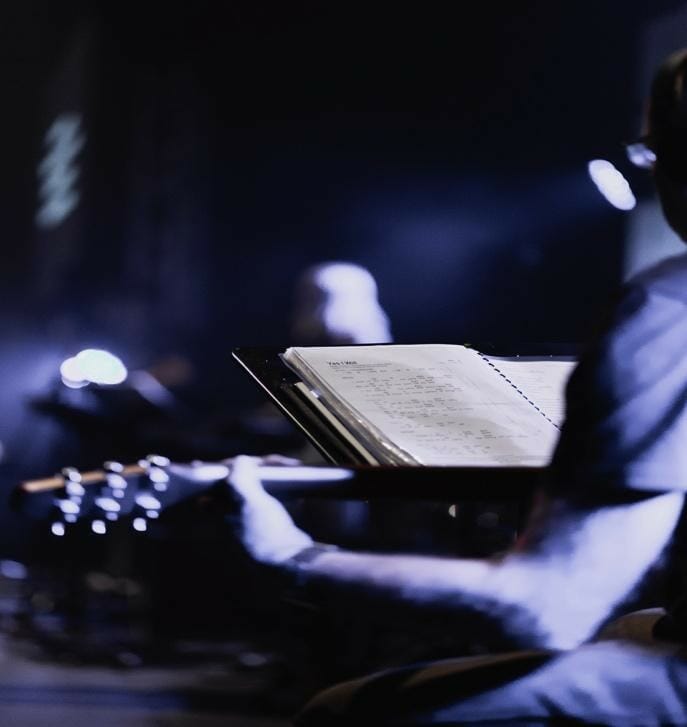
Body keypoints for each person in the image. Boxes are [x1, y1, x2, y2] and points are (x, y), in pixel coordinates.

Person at [212, 49, 687, 724]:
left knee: (346, 710)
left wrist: (291, 555)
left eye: (649, 153)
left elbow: (545, 607)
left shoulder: (670, 306)